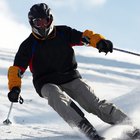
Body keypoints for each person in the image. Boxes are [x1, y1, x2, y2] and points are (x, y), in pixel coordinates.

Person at [7, 3, 130, 140]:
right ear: (32, 23)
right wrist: (14, 89)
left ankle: (129, 126)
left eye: (45, 20)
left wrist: (100, 42)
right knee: (56, 96)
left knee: (93, 103)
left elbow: (86, 36)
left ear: (50, 20)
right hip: (45, 82)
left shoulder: (63, 33)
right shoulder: (28, 45)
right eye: (38, 22)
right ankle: (86, 129)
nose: (42, 25)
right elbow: (16, 70)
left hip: (70, 76)